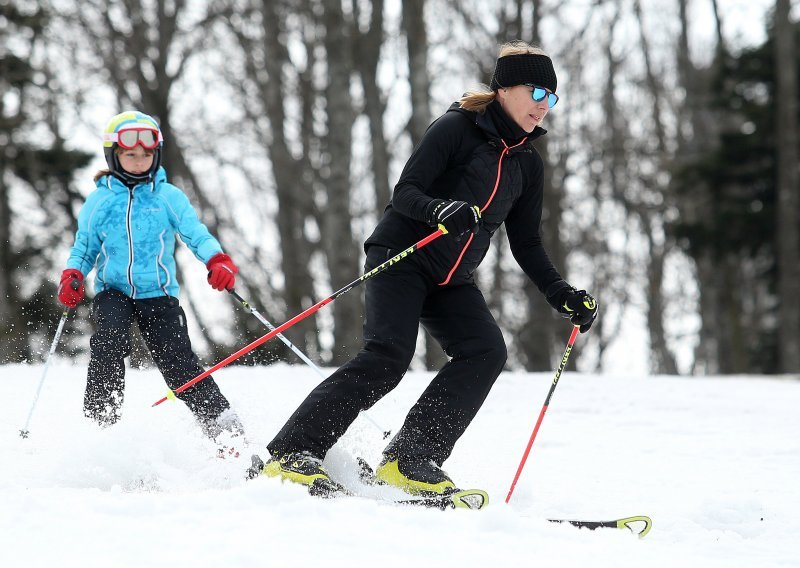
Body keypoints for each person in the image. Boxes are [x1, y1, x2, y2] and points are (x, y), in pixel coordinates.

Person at [261, 41, 598, 495]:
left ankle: (410, 458)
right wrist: (442, 209)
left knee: (485, 350)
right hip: (402, 257)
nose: (544, 105)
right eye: (537, 91)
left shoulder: (527, 164)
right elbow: (406, 193)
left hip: (451, 278)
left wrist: (561, 293)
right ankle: (292, 452)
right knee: (388, 357)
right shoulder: (456, 129)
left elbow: (527, 242)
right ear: (504, 89)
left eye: (552, 97)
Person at [57, 110, 244, 443]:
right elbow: (84, 247)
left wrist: (216, 259)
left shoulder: (167, 196)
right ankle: (101, 424)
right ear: (114, 155)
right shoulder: (100, 201)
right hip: (112, 291)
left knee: (178, 364)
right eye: (130, 154)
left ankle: (222, 427)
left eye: (146, 154)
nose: (139, 160)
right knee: (108, 342)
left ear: (156, 154)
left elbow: (194, 233)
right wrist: (73, 274)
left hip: (158, 294)